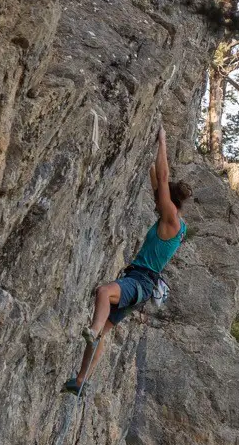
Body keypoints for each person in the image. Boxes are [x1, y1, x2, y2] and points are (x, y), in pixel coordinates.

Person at [63, 124, 191, 395]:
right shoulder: (174, 223)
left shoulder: (172, 220)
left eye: (164, 198)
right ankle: (81, 379)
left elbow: (163, 176)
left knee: (103, 292)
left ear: (172, 203)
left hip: (141, 281)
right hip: (142, 284)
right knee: (106, 326)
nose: (158, 200)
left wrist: (162, 141)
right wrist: (149, 158)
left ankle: (93, 331)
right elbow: (157, 179)